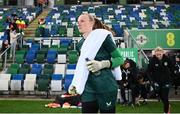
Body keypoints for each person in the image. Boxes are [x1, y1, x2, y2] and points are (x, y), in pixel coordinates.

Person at [68, 13, 123, 113]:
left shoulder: (104, 37)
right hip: (88, 88)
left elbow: (120, 59)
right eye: (78, 22)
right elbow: (82, 67)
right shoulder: (79, 44)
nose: (79, 24)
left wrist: (102, 64)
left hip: (106, 87)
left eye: (82, 21)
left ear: (92, 22)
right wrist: (76, 83)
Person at [147, 46, 173, 113]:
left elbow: (172, 68)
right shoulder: (152, 60)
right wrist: (152, 81)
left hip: (166, 82)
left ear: (162, 53)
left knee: (165, 98)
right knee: (162, 98)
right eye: (157, 54)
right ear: (155, 54)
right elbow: (148, 72)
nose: (158, 56)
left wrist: (170, 78)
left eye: (160, 54)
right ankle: (167, 106)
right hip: (157, 82)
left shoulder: (167, 59)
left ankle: (165, 112)